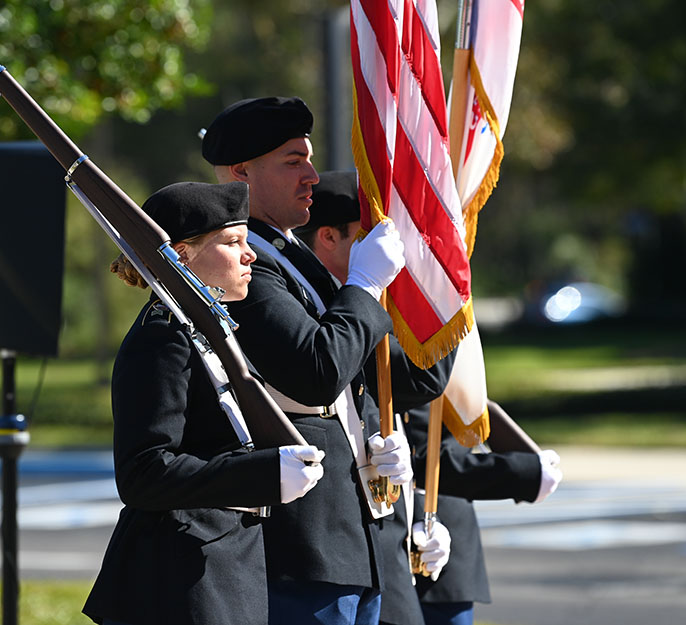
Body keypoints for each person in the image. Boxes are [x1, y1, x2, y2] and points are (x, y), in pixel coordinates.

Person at [200, 97, 455, 625]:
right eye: (293, 161)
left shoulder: (294, 260)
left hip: (349, 532)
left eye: (309, 159)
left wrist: (439, 289)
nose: (312, 176)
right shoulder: (246, 267)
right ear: (241, 172)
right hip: (298, 540)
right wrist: (362, 285)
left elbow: (412, 381)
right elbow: (316, 372)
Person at [296, 170, 564, 625]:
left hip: (417, 542)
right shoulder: (346, 313)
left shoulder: (374, 306)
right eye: (371, 237)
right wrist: (520, 474)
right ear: (328, 236)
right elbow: (421, 401)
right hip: (356, 553)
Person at [83, 181, 326, 625]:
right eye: (233, 242)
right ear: (182, 255)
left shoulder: (205, 331)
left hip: (222, 561)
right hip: (177, 575)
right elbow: (145, 473)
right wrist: (262, 473)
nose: (250, 254)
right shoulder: (162, 338)